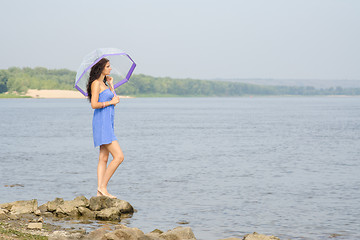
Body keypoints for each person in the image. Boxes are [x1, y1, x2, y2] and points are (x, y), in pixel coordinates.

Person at [86, 58, 123, 199]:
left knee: (103, 157)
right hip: (102, 123)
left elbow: (114, 100)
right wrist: (110, 102)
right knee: (119, 157)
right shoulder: (96, 84)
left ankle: (99, 192)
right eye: (108, 66)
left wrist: (112, 85)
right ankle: (103, 187)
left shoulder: (104, 83)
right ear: (101, 68)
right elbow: (94, 104)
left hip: (108, 122)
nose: (110, 69)